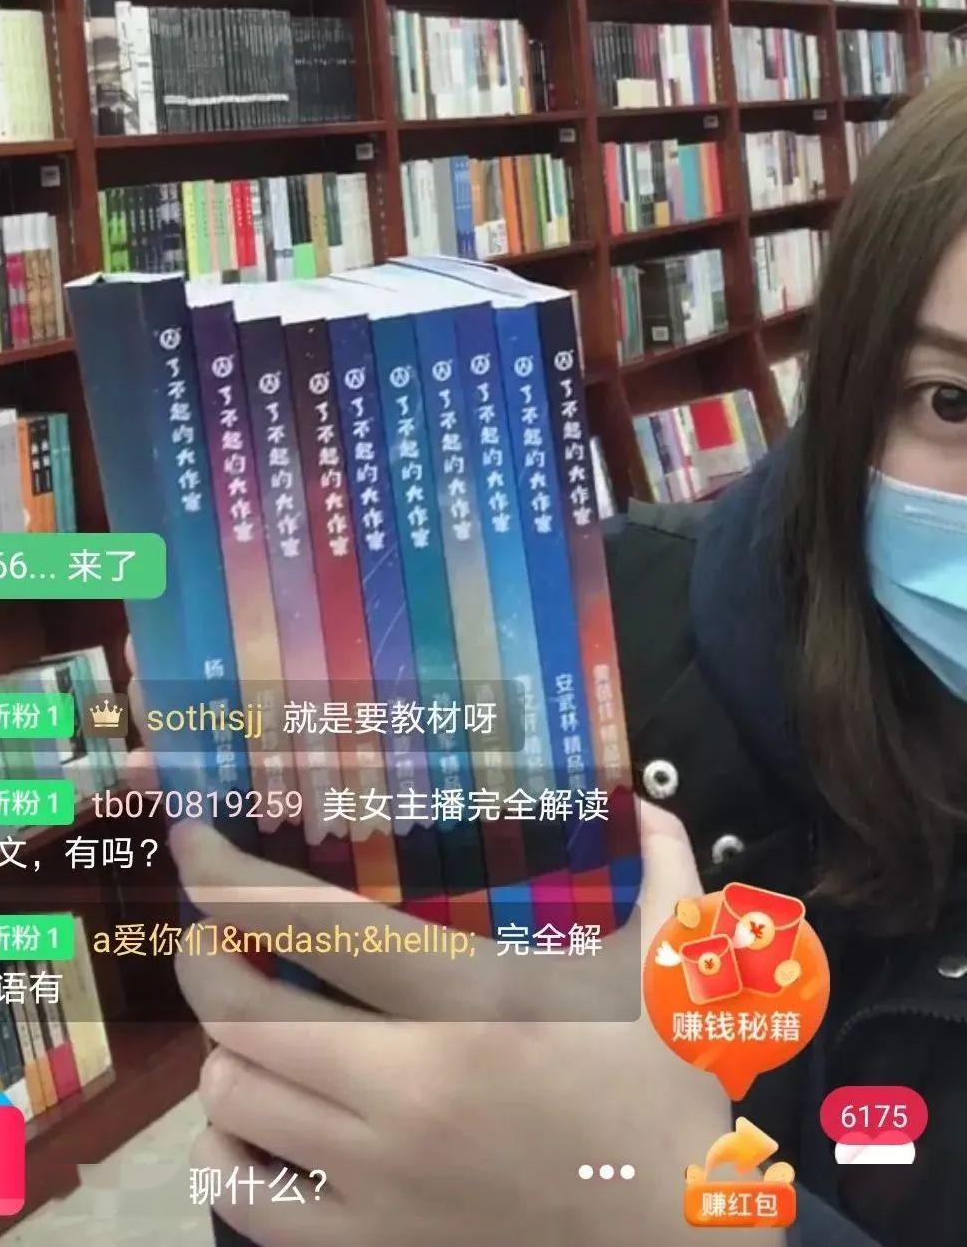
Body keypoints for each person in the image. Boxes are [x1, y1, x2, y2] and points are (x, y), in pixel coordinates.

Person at [130, 69, 967, 1247]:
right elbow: (298, 1174)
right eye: (952, 401)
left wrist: (669, 1217)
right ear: (844, 387)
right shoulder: (571, 663)